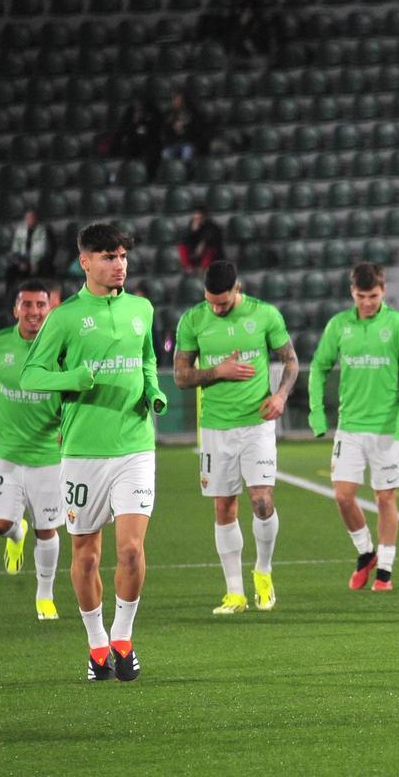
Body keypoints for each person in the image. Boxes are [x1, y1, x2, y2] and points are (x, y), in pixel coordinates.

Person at [20, 223, 167, 682]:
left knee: (130, 552)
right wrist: (72, 380)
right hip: (83, 452)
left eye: (122, 255)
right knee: (84, 555)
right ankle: (96, 644)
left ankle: (122, 639)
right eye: (108, 256)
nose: (118, 264)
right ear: (86, 262)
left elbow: (146, 358)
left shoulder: (141, 308)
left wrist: (153, 391)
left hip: (135, 448)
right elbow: (31, 376)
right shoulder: (64, 319)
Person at [173, 260, 298, 614]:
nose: (217, 308)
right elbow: (181, 376)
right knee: (224, 506)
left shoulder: (265, 315)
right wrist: (217, 371)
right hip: (215, 425)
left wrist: (281, 396)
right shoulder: (193, 320)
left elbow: (290, 361)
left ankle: (263, 570)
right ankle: (234, 593)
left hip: (256, 423)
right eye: (211, 301)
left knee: (261, 501)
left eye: (223, 303)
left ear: (237, 290)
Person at [308, 262, 399, 592]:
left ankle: (385, 569)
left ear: (383, 291)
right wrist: (317, 414)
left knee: (385, 497)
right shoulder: (339, 326)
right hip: (350, 427)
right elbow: (318, 368)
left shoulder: (398, 325)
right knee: (343, 496)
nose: (368, 302)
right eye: (361, 296)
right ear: (352, 293)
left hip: (387, 429)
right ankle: (365, 552)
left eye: (373, 296)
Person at [0, 279, 64, 620]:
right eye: (28, 305)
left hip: (49, 455)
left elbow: (77, 388)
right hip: (6, 451)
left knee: (47, 529)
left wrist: (67, 426)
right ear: (15, 309)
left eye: (41, 305)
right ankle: (15, 535)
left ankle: (44, 597)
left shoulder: (61, 348)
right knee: (0, 524)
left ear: (50, 309)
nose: (34, 312)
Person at [6, 209, 51, 292]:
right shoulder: (20, 230)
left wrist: (34, 263)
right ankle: (10, 296)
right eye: (28, 218)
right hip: (23, 260)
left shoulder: (43, 230)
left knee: (44, 268)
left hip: (38, 261)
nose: (30, 220)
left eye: (32, 217)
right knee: (10, 270)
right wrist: (20, 263)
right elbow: (15, 250)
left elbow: (43, 250)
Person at [177, 208, 225, 274]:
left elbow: (214, 239)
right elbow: (184, 240)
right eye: (196, 218)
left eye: (200, 218)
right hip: (195, 255)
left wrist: (203, 243)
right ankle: (188, 267)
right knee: (182, 246)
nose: (197, 220)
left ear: (205, 218)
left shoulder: (212, 226)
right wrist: (192, 231)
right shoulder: (190, 227)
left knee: (211, 247)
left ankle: (202, 268)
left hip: (210, 257)